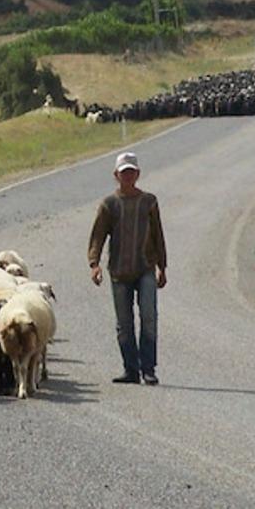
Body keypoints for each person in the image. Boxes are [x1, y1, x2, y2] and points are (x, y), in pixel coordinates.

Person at [87, 152, 168, 386]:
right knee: (124, 323)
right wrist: (95, 264)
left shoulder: (149, 202)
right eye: (124, 173)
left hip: (145, 268)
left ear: (138, 174)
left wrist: (163, 266)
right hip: (119, 271)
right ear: (116, 175)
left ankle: (148, 369)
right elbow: (98, 236)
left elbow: (158, 236)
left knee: (149, 317)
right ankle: (130, 369)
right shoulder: (109, 204)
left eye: (132, 172)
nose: (128, 176)